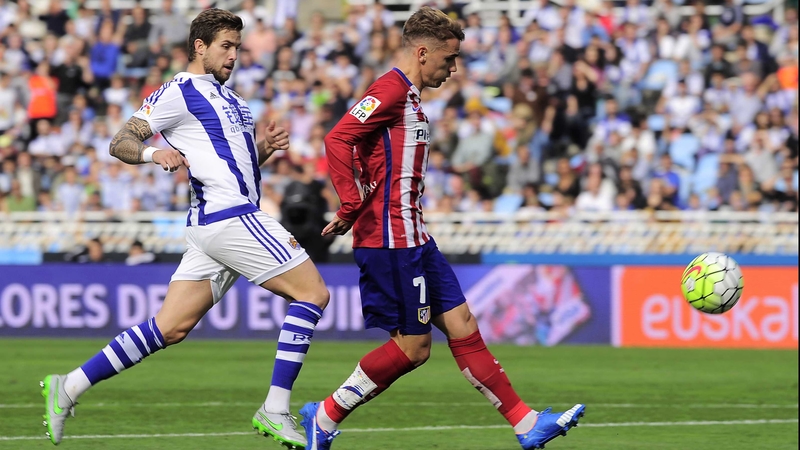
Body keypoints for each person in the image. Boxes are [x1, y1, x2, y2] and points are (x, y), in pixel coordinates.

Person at [40, 10, 330, 449]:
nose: (233, 55)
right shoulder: (179, 91)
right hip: (230, 217)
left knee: (170, 327)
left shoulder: (236, 102)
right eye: (225, 46)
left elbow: (235, 168)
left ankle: (69, 385)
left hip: (216, 222)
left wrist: (264, 149)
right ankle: (275, 409)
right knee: (313, 294)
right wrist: (154, 154)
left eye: (237, 47)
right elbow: (121, 141)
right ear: (200, 47)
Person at [306, 7, 585, 450]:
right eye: (449, 58)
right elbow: (338, 137)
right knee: (414, 349)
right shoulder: (390, 89)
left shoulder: (410, 97)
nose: (454, 68)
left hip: (415, 236)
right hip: (391, 240)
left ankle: (526, 423)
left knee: (462, 323)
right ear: (422, 52)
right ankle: (323, 415)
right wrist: (352, 202)